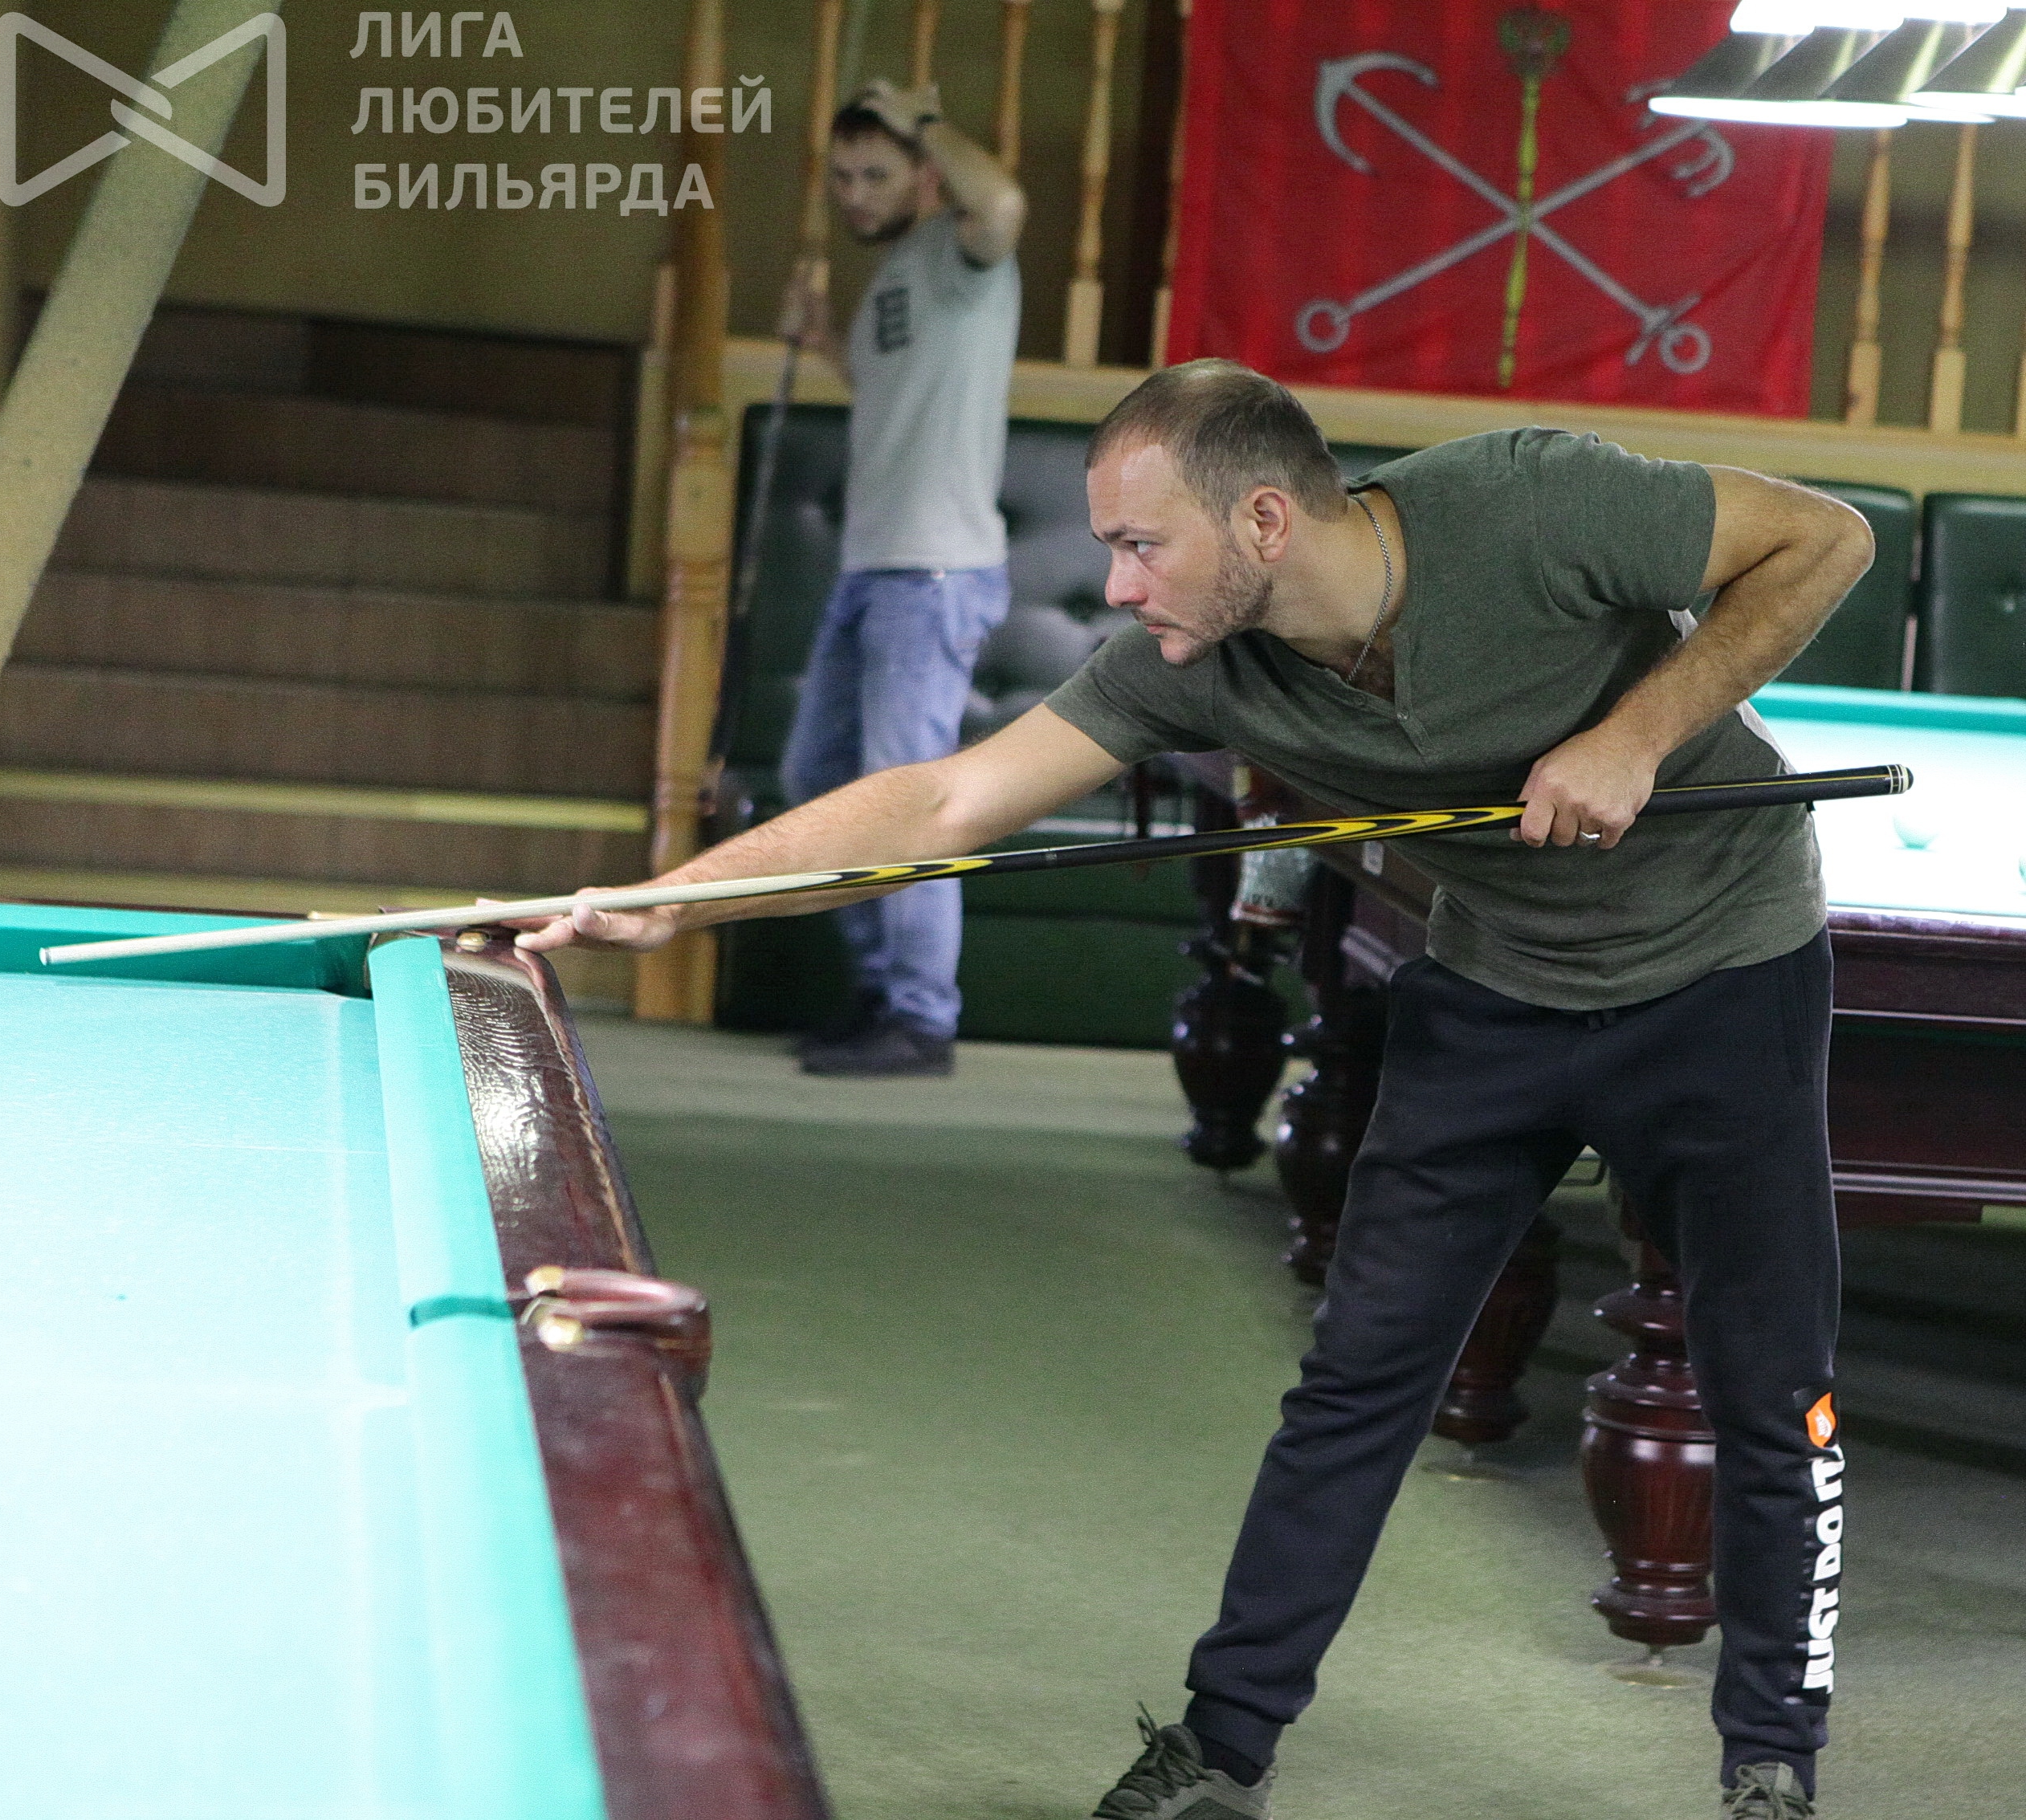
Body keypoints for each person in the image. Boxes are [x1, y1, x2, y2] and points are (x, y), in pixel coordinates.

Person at [513, 360, 1873, 1820]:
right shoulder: (1195, 660)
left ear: (1266, 521)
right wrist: (678, 899)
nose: (1113, 584)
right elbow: (950, 800)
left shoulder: (1534, 502)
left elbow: (1826, 538)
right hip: (1496, 990)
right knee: (1356, 1381)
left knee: (1772, 1387)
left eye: (1139, 544)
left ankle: (1771, 1766)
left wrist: (1635, 734)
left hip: (1724, 970)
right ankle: (1224, 1747)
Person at [772, 75, 1025, 1077]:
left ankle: (922, 1019)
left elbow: (1002, 201)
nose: (854, 194)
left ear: (923, 174)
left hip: (932, 576)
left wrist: (922, 117)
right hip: (870, 570)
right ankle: (881, 989)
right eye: (841, 177)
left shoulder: (964, 257)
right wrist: (823, 343)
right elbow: (893, 393)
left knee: (907, 798)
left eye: (875, 174)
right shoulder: (896, 278)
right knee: (815, 778)